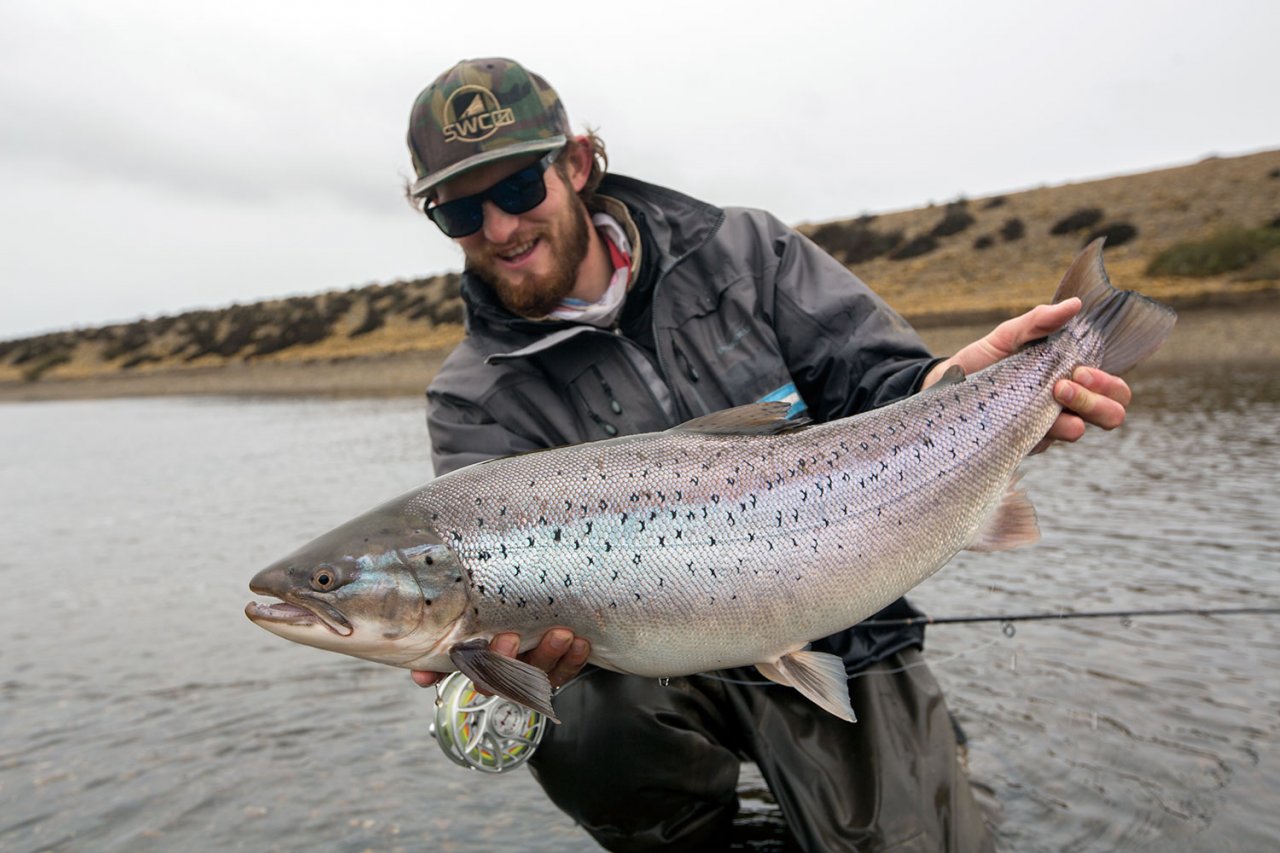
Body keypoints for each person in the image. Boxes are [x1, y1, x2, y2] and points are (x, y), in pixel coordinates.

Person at [403, 58, 1133, 852]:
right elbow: (498, 619)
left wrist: (964, 386)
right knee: (569, 711)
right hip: (650, 676)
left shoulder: (745, 250)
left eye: (517, 190)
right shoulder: (470, 396)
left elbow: (878, 384)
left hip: (837, 623)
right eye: (462, 213)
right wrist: (487, 662)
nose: (500, 228)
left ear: (577, 164)